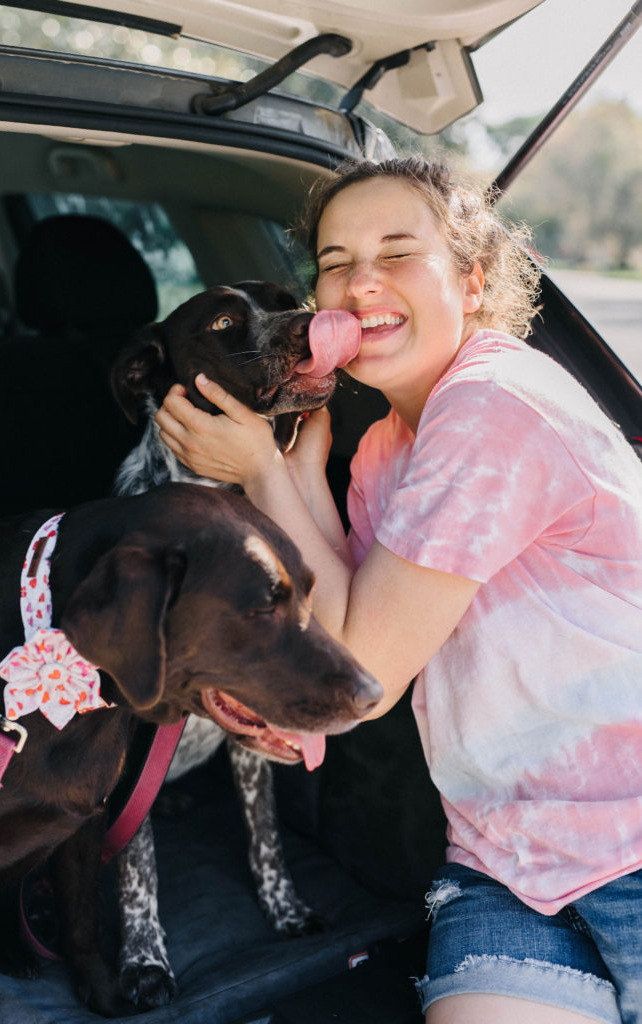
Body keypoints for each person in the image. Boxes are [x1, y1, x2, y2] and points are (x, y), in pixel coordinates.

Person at [154, 156, 642, 1024]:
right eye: (335, 260)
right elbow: (344, 625)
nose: (359, 281)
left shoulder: (491, 404)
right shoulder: (384, 442)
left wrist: (261, 468)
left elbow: (360, 672)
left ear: (473, 279)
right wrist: (296, 467)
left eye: (396, 251)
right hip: (504, 860)